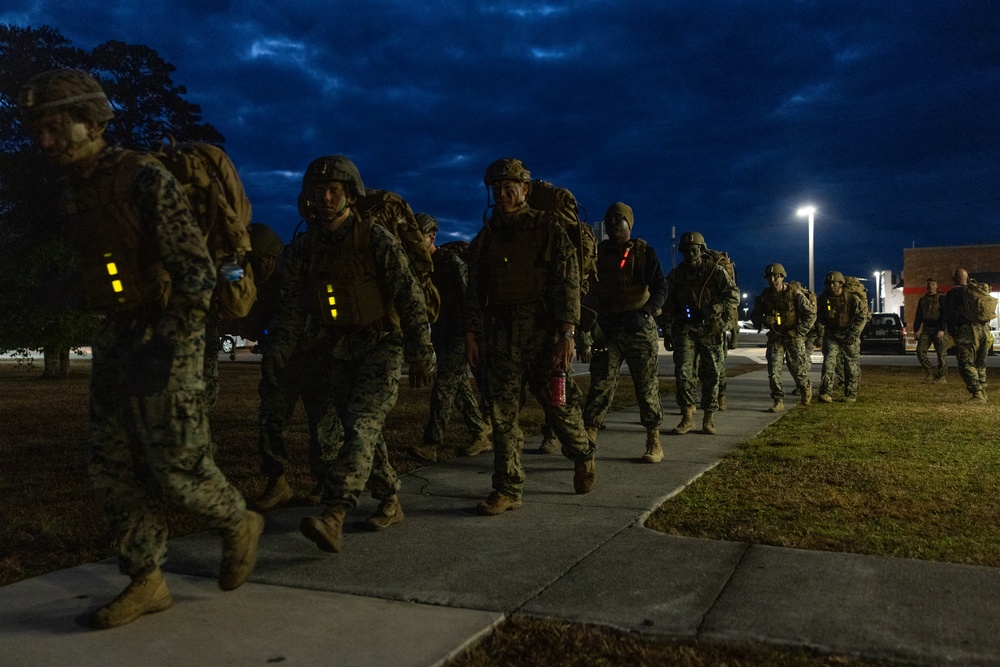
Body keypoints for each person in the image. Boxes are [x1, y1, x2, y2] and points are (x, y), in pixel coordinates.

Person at [18, 68, 263, 629]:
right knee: (113, 466)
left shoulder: (142, 177)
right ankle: (146, 580)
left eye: (56, 128)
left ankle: (236, 522)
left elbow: (198, 273)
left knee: (178, 466)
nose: (46, 142)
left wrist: (169, 342)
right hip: (115, 334)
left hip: (165, 337)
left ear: (91, 122)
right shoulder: (74, 192)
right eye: (40, 131)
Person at [267, 155, 436, 553]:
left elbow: (408, 294)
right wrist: (279, 347)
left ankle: (336, 513)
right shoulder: (305, 247)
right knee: (361, 432)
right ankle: (390, 498)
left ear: (349, 196)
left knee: (361, 423)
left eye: (333, 191)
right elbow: (291, 306)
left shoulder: (374, 237)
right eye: (317, 192)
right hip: (339, 348)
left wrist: (421, 349)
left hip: (383, 343)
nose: (324, 199)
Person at [465, 158, 597, 515]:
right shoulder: (488, 236)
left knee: (559, 406)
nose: (503, 195)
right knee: (502, 414)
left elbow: (568, 283)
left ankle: (583, 453)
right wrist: (472, 334)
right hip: (502, 334)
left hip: (543, 333)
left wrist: (567, 333)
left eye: (510, 188)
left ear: (525, 190)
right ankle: (507, 487)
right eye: (497, 190)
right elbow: (474, 290)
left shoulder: (548, 228)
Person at [241, 223, 342, 511]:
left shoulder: (298, 274)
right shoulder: (255, 286)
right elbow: (250, 323)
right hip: (283, 363)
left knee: (323, 426)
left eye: (257, 261)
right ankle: (278, 483)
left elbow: (316, 319)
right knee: (270, 420)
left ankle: (325, 481)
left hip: (318, 359)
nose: (253, 268)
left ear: (271, 257)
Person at [583, 202, 668, 462]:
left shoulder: (644, 253)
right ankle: (588, 439)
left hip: (638, 329)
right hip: (607, 329)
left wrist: (645, 313)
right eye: (607, 219)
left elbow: (661, 287)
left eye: (617, 219)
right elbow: (590, 292)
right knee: (600, 385)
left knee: (646, 387)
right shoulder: (596, 254)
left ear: (629, 224)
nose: (611, 223)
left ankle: (654, 440)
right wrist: (588, 328)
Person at [408, 213, 492, 463]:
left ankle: (431, 443)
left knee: (444, 387)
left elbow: (470, 301)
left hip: (460, 332)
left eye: (418, 237)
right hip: (441, 332)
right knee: (458, 389)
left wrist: (472, 338)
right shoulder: (420, 267)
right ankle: (481, 433)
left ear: (432, 237)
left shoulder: (451, 262)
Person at [662, 231, 739, 435]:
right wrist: (668, 330)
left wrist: (714, 309)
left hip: (710, 329)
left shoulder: (714, 271)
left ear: (702, 250)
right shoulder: (677, 275)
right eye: (686, 250)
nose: (691, 254)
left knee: (712, 374)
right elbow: (668, 304)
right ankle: (688, 417)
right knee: (684, 374)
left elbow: (734, 296)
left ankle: (708, 418)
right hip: (686, 330)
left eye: (694, 250)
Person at [750, 263, 816, 412]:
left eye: (776, 276)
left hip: (793, 337)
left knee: (798, 368)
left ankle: (805, 387)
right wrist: (764, 320)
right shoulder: (764, 296)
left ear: (782, 277)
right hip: (776, 337)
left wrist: (799, 332)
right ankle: (778, 399)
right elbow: (754, 316)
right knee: (773, 370)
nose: (773, 279)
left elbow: (810, 314)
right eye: (770, 277)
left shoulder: (795, 294)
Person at [816, 271, 866, 403]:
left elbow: (862, 317)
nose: (831, 286)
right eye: (829, 283)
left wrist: (853, 334)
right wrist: (826, 317)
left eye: (834, 283)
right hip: (832, 334)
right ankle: (826, 392)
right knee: (828, 362)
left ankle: (850, 394)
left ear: (841, 284)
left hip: (848, 335)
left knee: (851, 364)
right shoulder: (823, 299)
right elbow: (817, 317)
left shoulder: (852, 299)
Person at [943, 268, 989, 402]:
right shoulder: (976, 291)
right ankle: (983, 391)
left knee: (966, 362)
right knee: (980, 362)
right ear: (966, 278)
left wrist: (954, 334)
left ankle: (977, 393)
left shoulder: (953, 294)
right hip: (984, 329)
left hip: (967, 331)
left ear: (954, 278)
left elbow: (950, 316)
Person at [914, 277, 947, 384]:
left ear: (937, 286)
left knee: (941, 354)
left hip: (939, 328)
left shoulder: (941, 298)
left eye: (933, 284)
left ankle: (942, 377)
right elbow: (918, 316)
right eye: (928, 284)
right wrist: (916, 330)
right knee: (920, 351)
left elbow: (945, 315)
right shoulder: (922, 300)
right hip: (927, 328)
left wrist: (942, 329)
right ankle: (930, 373)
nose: (930, 287)